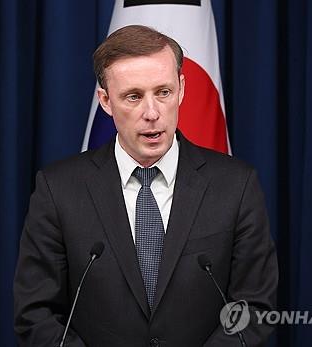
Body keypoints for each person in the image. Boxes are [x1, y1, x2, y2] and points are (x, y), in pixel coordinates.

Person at [14, 25, 278, 346]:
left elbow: (255, 308)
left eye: (163, 92)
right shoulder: (58, 190)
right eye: (133, 97)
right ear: (106, 101)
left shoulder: (236, 186)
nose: (152, 113)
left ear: (181, 89)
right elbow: (35, 313)